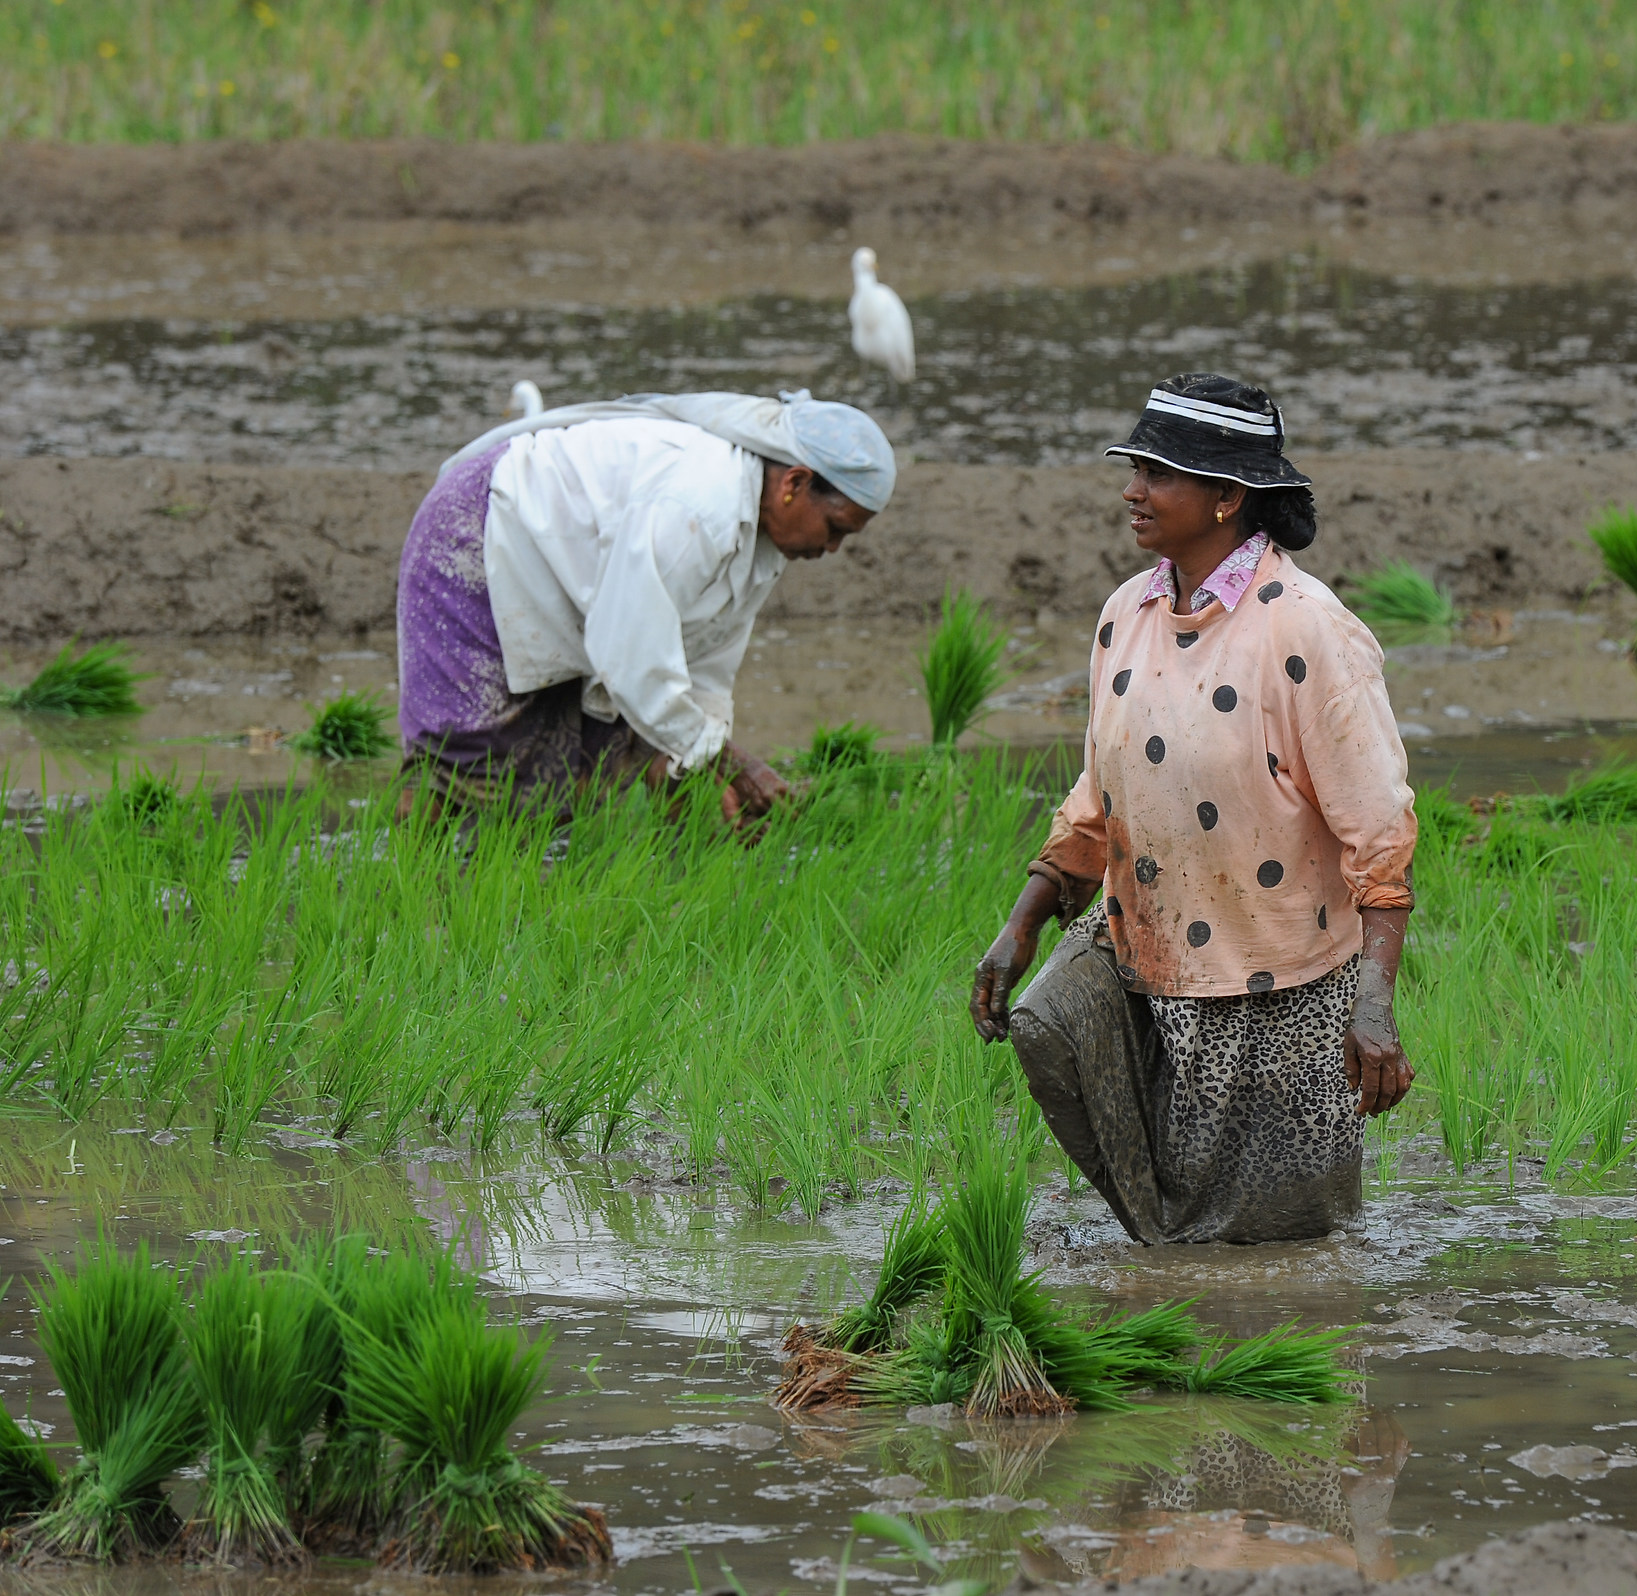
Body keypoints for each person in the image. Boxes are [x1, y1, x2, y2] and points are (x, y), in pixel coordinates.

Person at [970, 373, 1417, 1244]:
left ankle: (1235, 1338)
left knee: (1280, 1239)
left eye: (1158, 473)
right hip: (1147, 943)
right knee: (1053, 1032)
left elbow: (1380, 834)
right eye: (1134, 468)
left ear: (1228, 497)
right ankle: (1169, 1274)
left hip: (1278, 979)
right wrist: (1022, 921)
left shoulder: (1307, 630)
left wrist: (1373, 1007)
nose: (1132, 491)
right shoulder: (1126, 613)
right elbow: (1100, 791)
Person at [395, 389, 893, 821]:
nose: (831, 550)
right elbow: (628, 657)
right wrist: (733, 762)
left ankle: (513, 902)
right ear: (794, 485)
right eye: (835, 530)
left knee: (575, 770)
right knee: (461, 757)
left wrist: (701, 768)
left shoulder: (763, 543)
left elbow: (705, 664)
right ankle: (402, 891)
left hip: (575, 589)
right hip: (480, 534)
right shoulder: (697, 504)